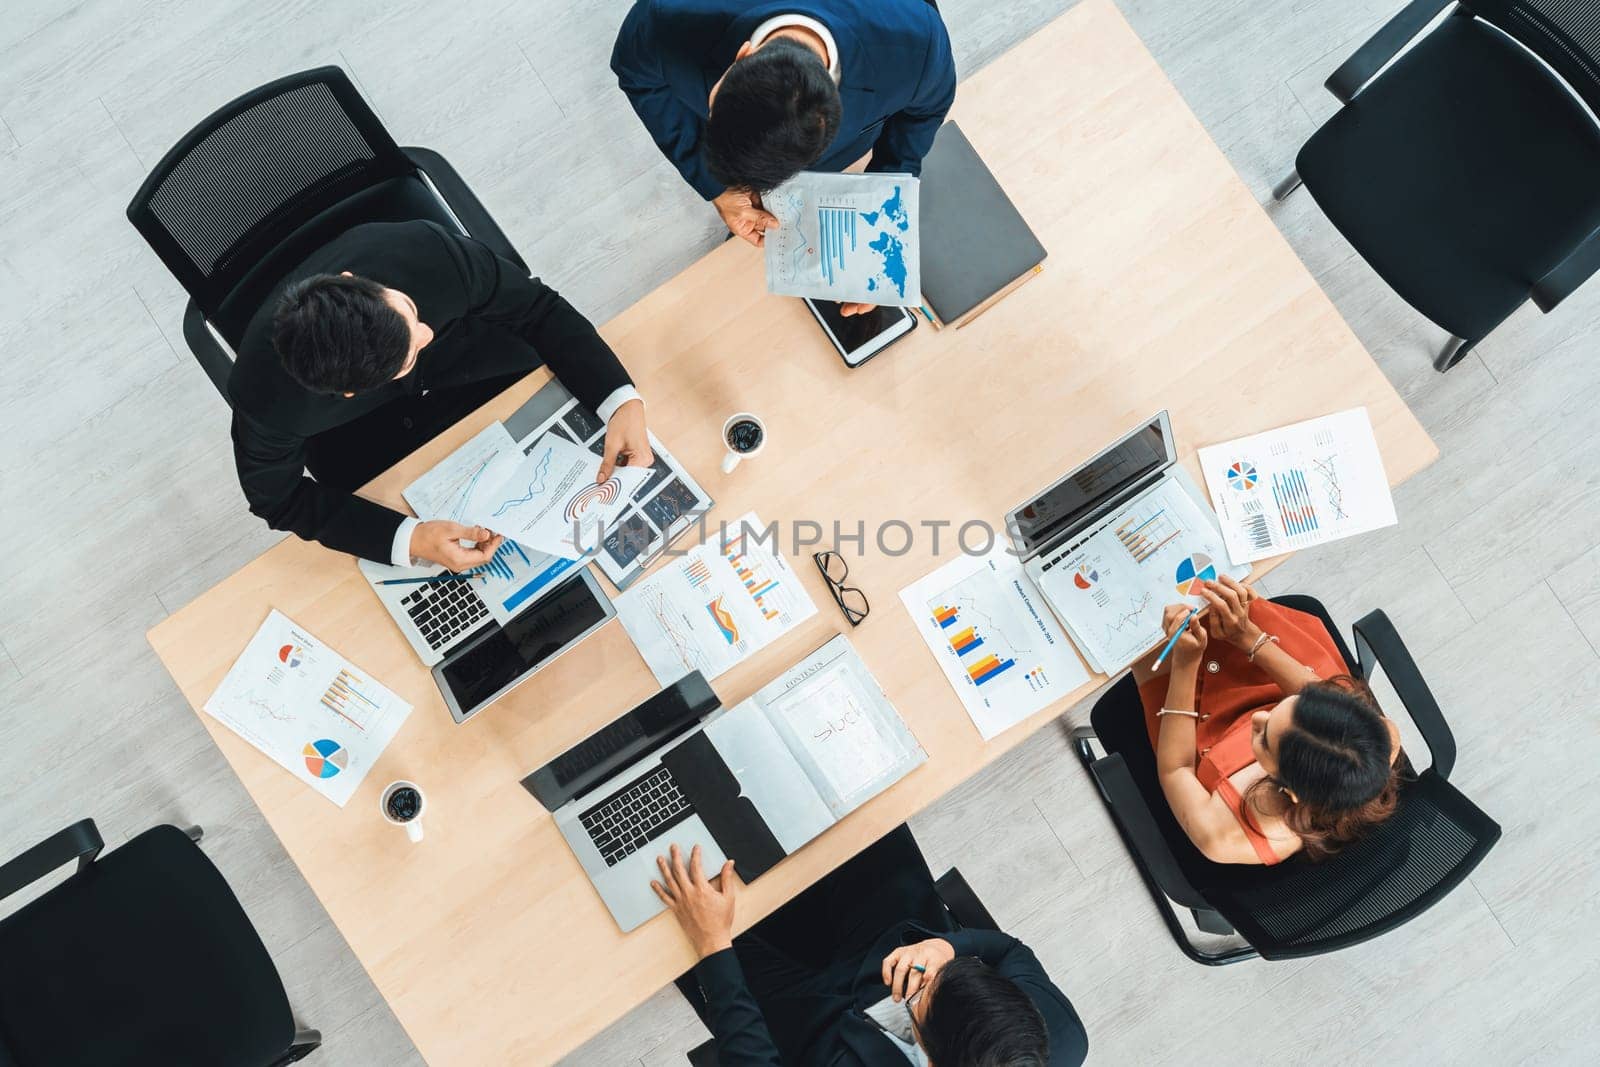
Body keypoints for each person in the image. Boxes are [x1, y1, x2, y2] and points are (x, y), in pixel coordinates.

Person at [229, 219, 653, 570]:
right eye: (410, 354)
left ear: (352, 281)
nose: (427, 332)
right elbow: (278, 500)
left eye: (408, 313)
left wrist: (619, 398)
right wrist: (410, 539)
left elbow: (536, 308)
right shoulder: (267, 399)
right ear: (351, 390)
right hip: (375, 444)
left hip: (483, 372)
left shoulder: (424, 251)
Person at [650, 825, 1088, 1065]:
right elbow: (1010, 953)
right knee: (847, 803)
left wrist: (712, 945)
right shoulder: (1060, 1036)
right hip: (891, 929)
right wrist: (947, 951)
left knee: (670, 909)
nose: (923, 978)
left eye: (920, 994)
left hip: (806, 1025)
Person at [610, 0, 956, 257]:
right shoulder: (667, 17)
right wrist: (718, 189)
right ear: (742, 55)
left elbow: (924, 112)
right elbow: (636, 73)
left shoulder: (916, 45)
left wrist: (884, 223)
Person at [1138, 576, 1404, 865]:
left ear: (1289, 792)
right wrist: (1247, 636)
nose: (1259, 717)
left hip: (1192, 732)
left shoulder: (1222, 835)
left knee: (1144, 625)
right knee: (1221, 593)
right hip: (1268, 674)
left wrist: (1185, 664)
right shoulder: (1380, 740)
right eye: (1300, 702)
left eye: (1263, 739)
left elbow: (1176, 769)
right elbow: (1318, 690)